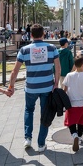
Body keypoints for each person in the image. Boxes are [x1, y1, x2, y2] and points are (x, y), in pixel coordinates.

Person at [8, 24, 61, 152]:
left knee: (29, 111)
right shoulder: (52, 48)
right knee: (45, 114)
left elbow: (14, 71)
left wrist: (11, 86)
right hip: (47, 87)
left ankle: (27, 138)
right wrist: (56, 84)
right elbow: (58, 69)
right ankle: (41, 144)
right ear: (43, 34)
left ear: (31, 35)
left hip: (31, 87)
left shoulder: (24, 50)